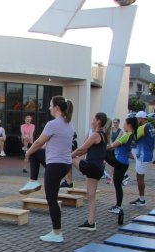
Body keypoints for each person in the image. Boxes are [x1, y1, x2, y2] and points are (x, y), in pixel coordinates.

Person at [21, 96, 74, 243]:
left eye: (50, 105)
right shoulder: (69, 124)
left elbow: (38, 142)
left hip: (55, 165)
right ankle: (33, 181)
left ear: (56, 107)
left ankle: (57, 233)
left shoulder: (52, 124)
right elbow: (47, 144)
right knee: (36, 153)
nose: (49, 108)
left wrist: (27, 152)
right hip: (65, 165)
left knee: (51, 199)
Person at [71, 112, 108, 232]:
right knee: (91, 196)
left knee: (69, 159)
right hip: (99, 167)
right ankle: (91, 222)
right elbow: (83, 151)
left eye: (93, 119)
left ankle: (68, 182)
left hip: (92, 166)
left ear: (98, 121)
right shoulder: (103, 134)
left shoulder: (96, 135)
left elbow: (81, 149)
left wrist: (68, 155)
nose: (91, 121)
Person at [105, 117, 137, 215]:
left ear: (129, 125)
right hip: (124, 163)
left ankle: (118, 207)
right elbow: (128, 152)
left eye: (125, 124)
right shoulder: (132, 136)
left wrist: (100, 147)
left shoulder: (126, 136)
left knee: (103, 152)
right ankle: (118, 205)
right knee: (117, 185)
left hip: (120, 163)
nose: (123, 126)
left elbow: (112, 146)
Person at [130, 111, 155, 207]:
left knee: (140, 178)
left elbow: (134, 138)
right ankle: (141, 198)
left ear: (141, 119)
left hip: (143, 155)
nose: (137, 121)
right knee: (139, 177)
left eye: (137, 119)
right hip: (146, 154)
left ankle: (142, 199)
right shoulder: (151, 126)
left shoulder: (142, 127)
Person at [106, 118, 122, 184]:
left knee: (113, 164)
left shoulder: (120, 131)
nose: (115, 124)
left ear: (118, 123)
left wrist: (112, 145)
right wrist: (109, 145)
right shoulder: (111, 129)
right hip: (109, 147)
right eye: (114, 122)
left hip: (115, 148)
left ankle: (110, 177)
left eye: (116, 122)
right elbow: (108, 137)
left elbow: (118, 139)